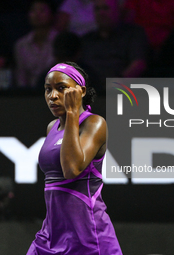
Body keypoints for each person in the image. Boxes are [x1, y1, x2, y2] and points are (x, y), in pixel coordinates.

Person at [27, 62, 122, 255]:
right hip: (50, 235)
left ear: (81, 90)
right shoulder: (51, 127)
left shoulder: (94, 123)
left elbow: (72, 169)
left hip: (88, 237)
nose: (52, 96)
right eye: (48, 90)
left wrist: (72, 112)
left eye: (61, 88)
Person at [81, 0, 149, 92]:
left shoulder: (133, 34)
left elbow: (138, 64)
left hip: (123, 91)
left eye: (106, 8)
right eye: (97, 9)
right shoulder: (86, 39)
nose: (101, 13)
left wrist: (115, 84)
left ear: (117, 10)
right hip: (90, 92)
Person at [14, 0, 58, 89]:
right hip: (29, 95)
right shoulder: (21, 45)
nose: (37, 14)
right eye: (33, 10)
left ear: (52, 14)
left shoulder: (59, 41)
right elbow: (21, 76)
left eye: (42, 10)